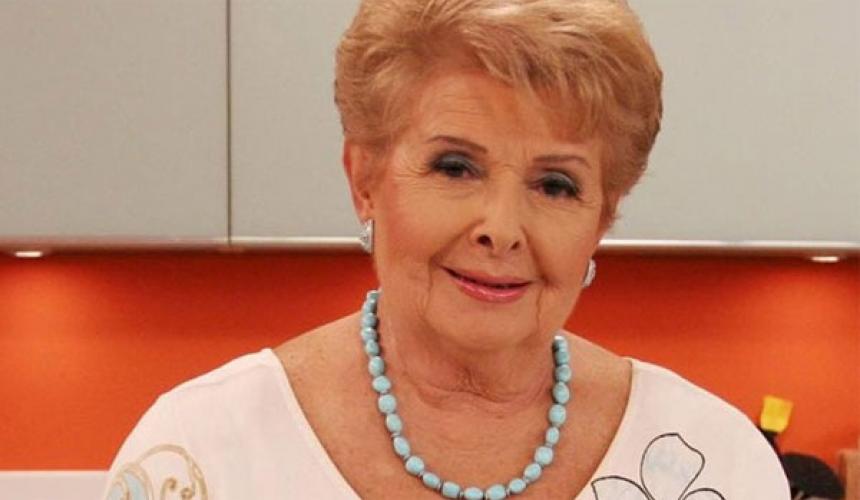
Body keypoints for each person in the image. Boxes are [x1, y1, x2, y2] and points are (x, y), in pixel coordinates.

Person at [102, 1, 790, 498]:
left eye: (555, 184)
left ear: (602, 217)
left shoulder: (717, 462)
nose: (502, 228)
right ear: (364, 179)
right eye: (456, 167)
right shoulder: (199, 454)